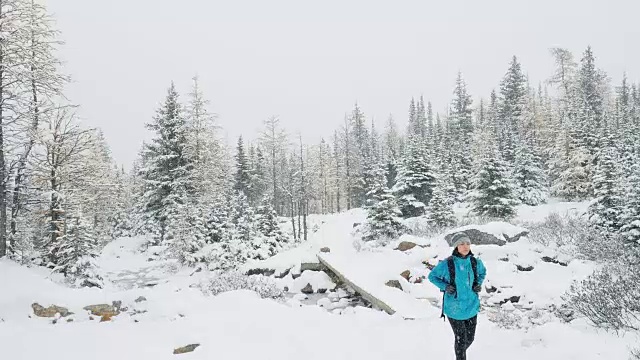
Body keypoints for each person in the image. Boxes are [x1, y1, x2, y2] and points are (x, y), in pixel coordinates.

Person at [428, 232, 487, 360]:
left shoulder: (475, 262)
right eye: (461, 243)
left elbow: (483, 273)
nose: (465, 246)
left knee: (469, 339)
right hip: (454, 308)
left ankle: (460, 354)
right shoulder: (447, 264)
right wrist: (445, 287)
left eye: (467, 243)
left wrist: (478, 283)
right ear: (456, 246)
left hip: (471, 306)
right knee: (460, 340)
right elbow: (432, 276)